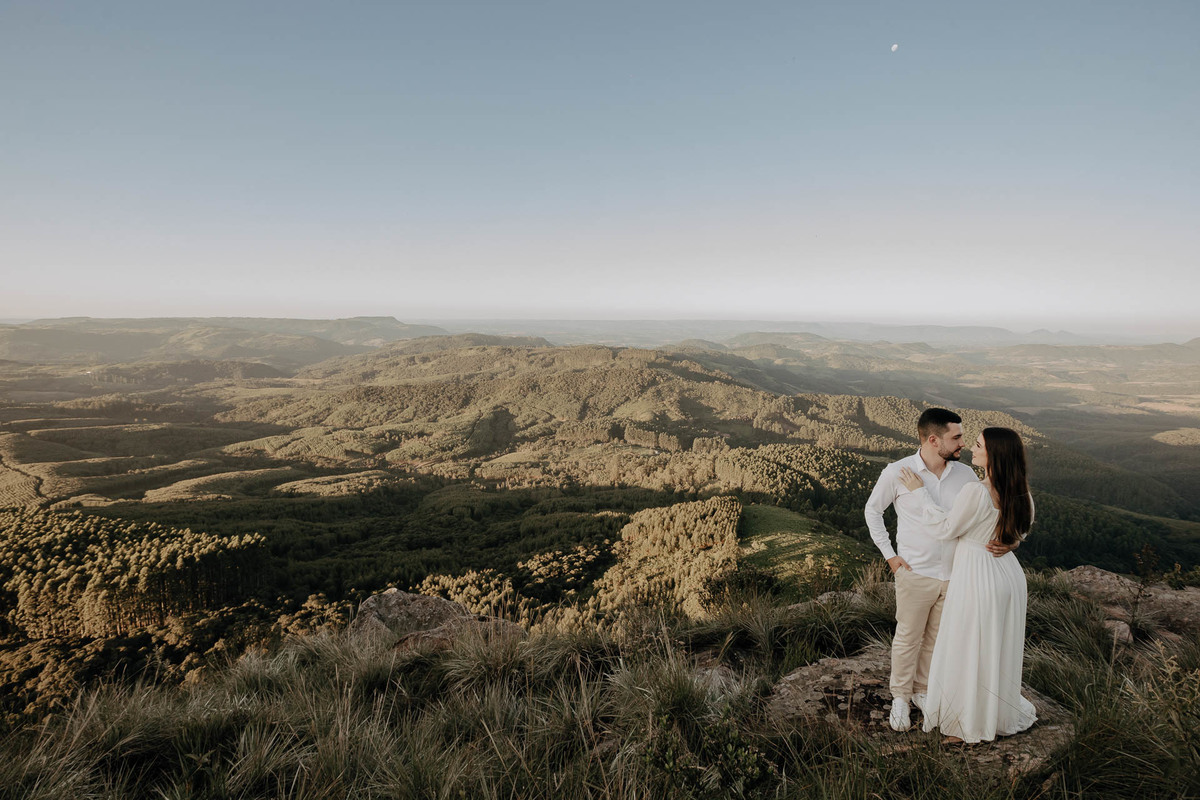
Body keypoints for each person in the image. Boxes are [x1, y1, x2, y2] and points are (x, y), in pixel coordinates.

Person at [864, 408, 1014, 733]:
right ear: (934, 440)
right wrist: (890, 556)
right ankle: (900, 697)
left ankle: (922, 690)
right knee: (908, 637)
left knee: (936, 638)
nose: (963, 444)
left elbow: (985, 512)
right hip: (916, 571)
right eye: (956, 437)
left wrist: (1010, 541)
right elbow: (872, 511)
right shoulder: (898, 471)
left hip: (958, 574)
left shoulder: (966, 475)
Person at [897, 426, 1037, 743]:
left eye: (979, 445)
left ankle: (968, 721)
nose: (973, 449)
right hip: (1009, 577)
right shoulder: (1022, 494)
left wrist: (919, 492)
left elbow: (946, 529)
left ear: (995, 455)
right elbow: (1021, 533)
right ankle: (994, 711)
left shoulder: (977, 491)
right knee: (996, 646)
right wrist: (1012, 543)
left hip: (978, 574)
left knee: (968, 645)